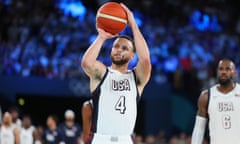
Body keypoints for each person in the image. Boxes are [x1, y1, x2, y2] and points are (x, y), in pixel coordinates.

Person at [81, 3, 151, 144]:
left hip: (126, 139)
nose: (119, 50)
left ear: (132, 55)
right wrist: (101, 37)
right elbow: (86, 63)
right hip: (100, 139)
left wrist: (133, 25)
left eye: (124, 48)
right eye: (116, 46)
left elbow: (145, 60)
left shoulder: (136, 78)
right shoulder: (102, 73)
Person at [191, 59, 240, 144]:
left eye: (228, 69)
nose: (223, 72)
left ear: (234, 72)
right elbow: (199, 128)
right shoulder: (206, 96)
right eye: (221, 69)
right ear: (217, 72)